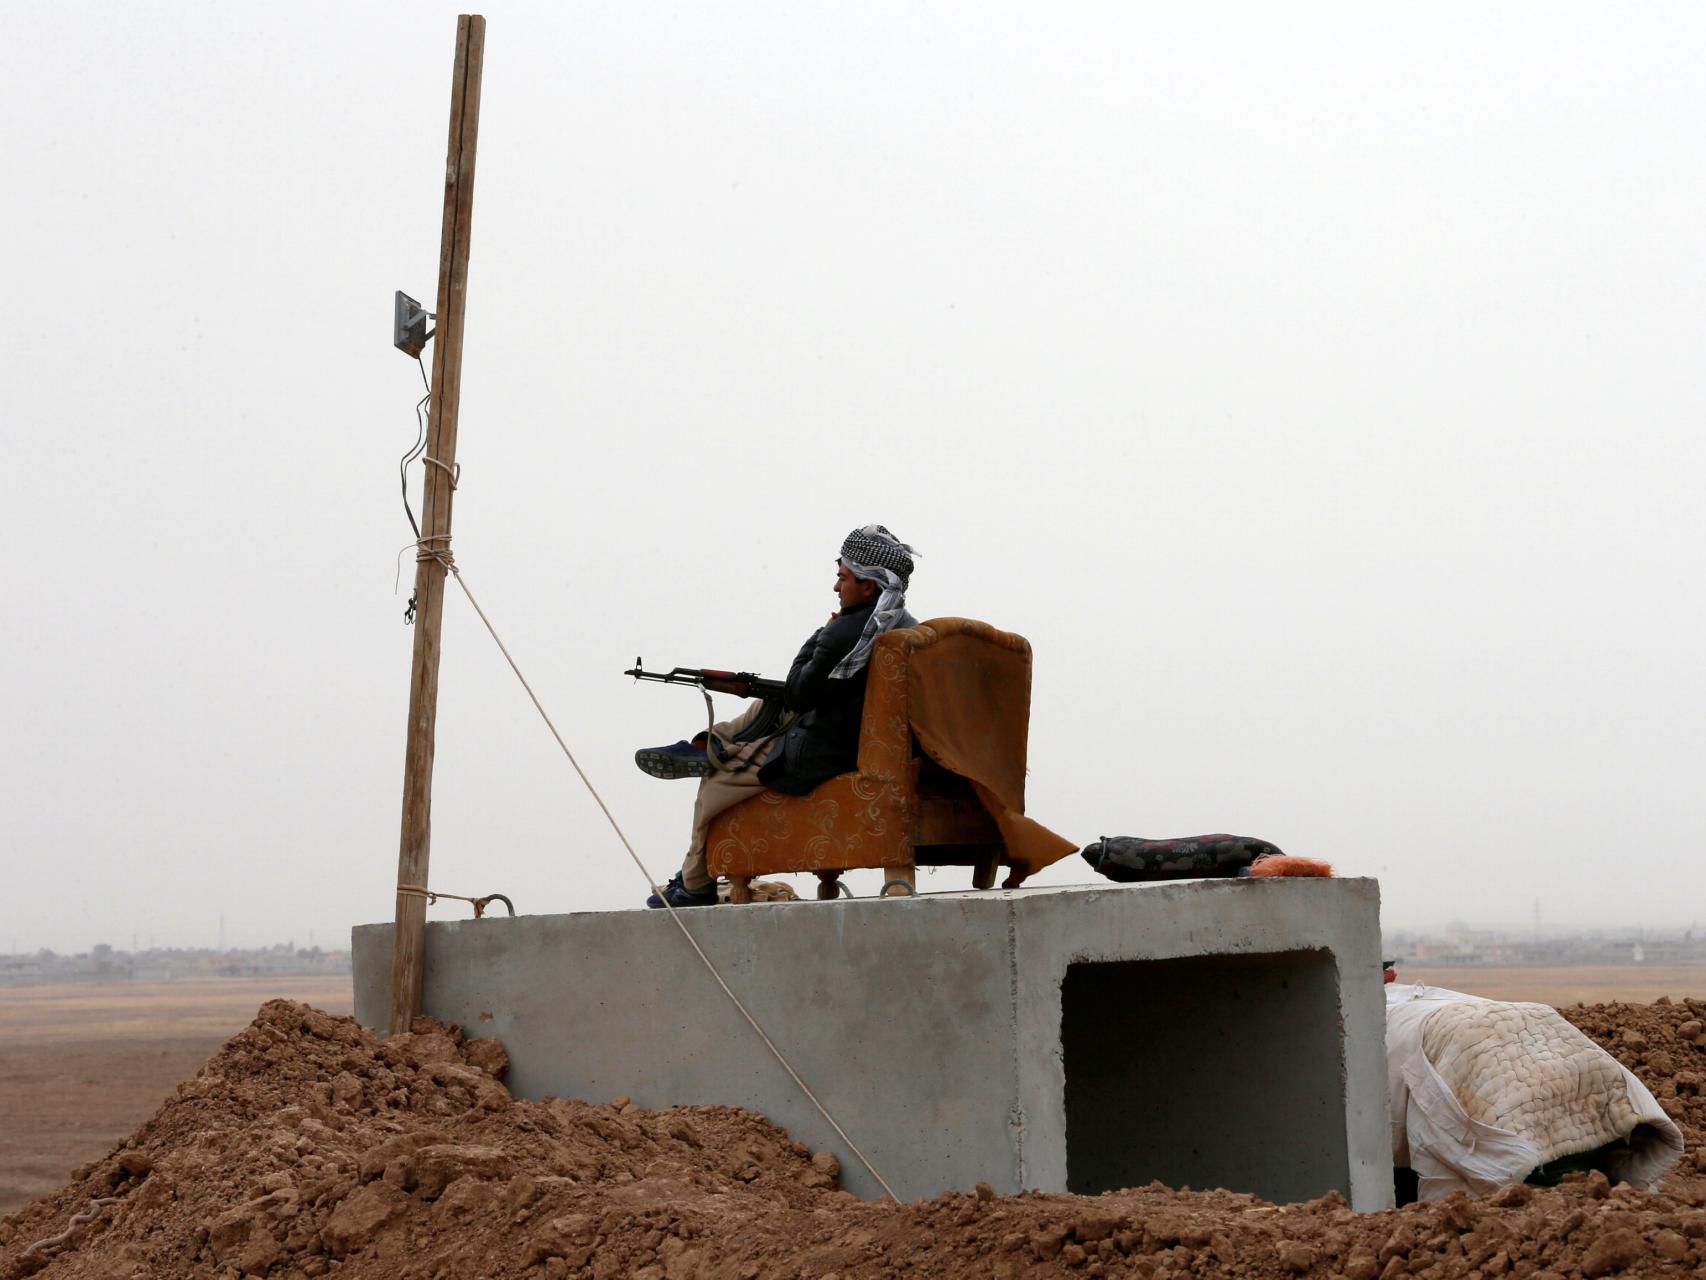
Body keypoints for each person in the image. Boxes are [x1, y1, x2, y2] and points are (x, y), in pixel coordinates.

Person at [637, 525, 920, 908]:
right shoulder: (903, 625)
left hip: (823, 749)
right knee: (766, 705)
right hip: (851, 735)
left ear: (868, 587)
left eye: (842, 577)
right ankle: (710, 742)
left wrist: (824, 632)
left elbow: (800, 690)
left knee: (715, 782)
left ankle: (694, 882)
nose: (837, 588)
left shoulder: (845, 633)